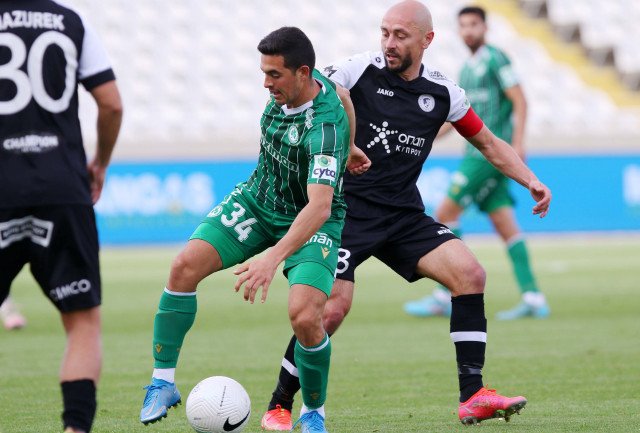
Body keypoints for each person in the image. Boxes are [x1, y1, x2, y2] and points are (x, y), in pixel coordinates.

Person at [259, 1, 551, 429]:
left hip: (402, 215)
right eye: (385, 33)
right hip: (345, 213)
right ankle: (280, 403)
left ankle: (473, 396)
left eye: (400, 35)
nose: (389, 43)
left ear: (427, 39)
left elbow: (488, 143)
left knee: (470, 274)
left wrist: (531, 180)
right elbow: (315, 87)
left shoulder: (444, 93)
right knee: (330, 311)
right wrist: (343, 138)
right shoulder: (359, 69)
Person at [138, 27, 366, 433]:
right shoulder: (315, 83)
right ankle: (162, 382)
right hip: (258, 201)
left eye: (274, 75)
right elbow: (346, 95)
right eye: (264, 72)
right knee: (183, 267)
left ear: (301, 72)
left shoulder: (323, 129)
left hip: (309, 219)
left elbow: (319, 207)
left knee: (305, 316)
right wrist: (352, 148)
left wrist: (271, 258)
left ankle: (313, 412)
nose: (266, 83)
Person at [0, 1, 123, 432]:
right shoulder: (71, 20)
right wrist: (100, 162)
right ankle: (75, 428)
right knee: (82, 323)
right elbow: (111, 104)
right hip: (62, 186)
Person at [404, 5, 550, 321]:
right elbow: (458, 118)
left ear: (485, 27)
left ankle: (444, 294)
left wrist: (518, 144)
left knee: (445, 213)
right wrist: (423, 137)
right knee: (503, 222)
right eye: (463, 25)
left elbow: (520, 100)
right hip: (477, 155)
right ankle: (533, 297)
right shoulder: (467, 69)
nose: (468, 30)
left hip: (487, 156)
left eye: (474, 24)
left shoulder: (496, 59)